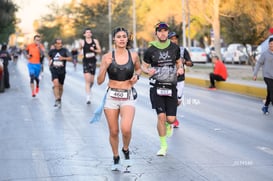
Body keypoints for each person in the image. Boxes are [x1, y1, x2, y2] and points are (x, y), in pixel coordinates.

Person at [97, 27, 141, 170]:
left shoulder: (133, 55)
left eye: (124, 36)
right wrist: (105, 66)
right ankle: (116, 157)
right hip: (111, 97)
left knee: (126, 129)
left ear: (127, 39)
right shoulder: (107, 57)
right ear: (114, 40)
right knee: (114, 131)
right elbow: (99, 80)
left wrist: (137, 76)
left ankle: (126, 149)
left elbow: (139, 69)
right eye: (119, 36)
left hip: (127, 95)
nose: (122, 39)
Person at [142, 22, 184, 156]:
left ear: (167, 32)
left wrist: (180, 68)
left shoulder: (174, 48)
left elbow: (178, 61)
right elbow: (143, 66)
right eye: (160, 31)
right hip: (156, 86)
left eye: (165, 31)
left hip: (171, 86)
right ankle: (163, 146)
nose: (162, 33)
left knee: (171, 119)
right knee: (161, 116)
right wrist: (147, 71)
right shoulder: (150, 50)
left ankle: (168, 124)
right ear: (156, 33)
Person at [168, 31, 193, 128]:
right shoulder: (165, 51)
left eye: (175, 38)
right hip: (168, 79)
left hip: (180, 79)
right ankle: (172, 118)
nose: (174, 40)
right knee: (170, 99)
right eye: (172, 39)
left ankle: (171, 115)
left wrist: (185, 61)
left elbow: (191, 63)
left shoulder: (182, 50)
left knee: (178, 101)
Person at [48, 38, 72, 108]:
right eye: (58, 43)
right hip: (54, 69)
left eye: (61, 43)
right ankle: (57, 98)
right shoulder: (52, 51)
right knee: (56, 84)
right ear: (55, 44)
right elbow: (49, 57)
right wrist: (50, 61)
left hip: (62, 71)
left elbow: (70, 58)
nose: (60, 45)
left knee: (60, 86)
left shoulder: (65, 50)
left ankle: (59, 99)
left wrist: (63, 58)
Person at [80, 28, 102, 104]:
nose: (88, 34)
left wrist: (94, 50)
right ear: (84, 34)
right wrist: (80, 50)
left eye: (90, 32)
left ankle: (89, 90)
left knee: (92, 81)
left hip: (93, 62)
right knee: (87, 80)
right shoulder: (82, 42)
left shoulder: (95, 41)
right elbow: (79, 51)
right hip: (85, 61)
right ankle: (88, 97)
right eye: (87, 32)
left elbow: (99, 50)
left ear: (91, 34)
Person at [253, 37, 273, 115]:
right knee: (272, 93)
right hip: (267, 76)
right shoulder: (265, 54)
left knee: (269, 93)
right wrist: (255, 74)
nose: (272, 45)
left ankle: (265, 106)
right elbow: (258, 63)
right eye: (270, 44)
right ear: (268, 44)